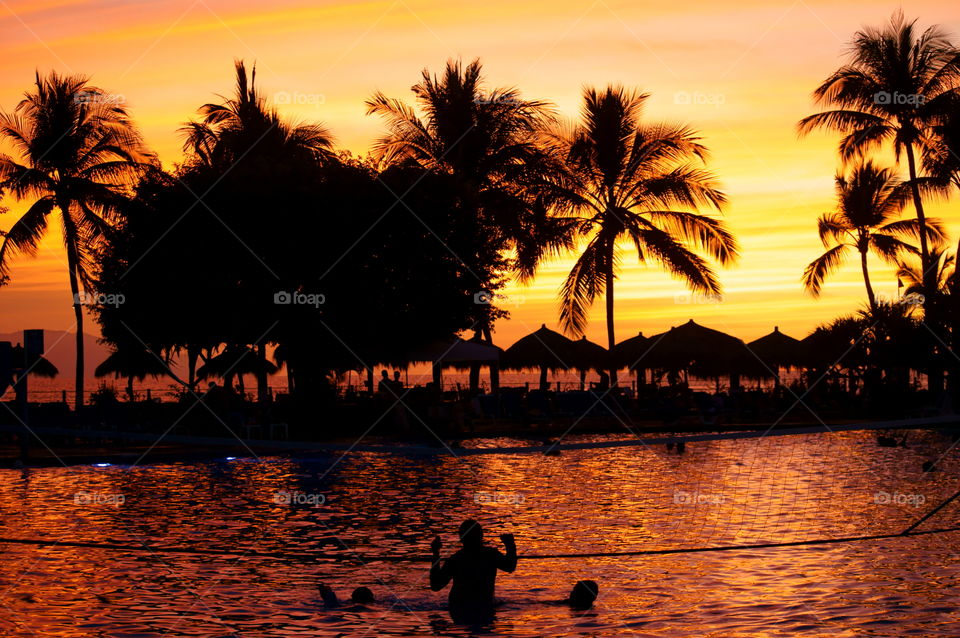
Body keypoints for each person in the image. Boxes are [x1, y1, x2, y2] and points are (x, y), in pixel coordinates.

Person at [429, 520, 516, 621]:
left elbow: (436, 585)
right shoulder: (491, 555)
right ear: (481, 537)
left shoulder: (456, 559)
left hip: (458, 611)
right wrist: (510, 545)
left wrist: (435, 553)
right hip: (483, 608)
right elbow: (510, 567)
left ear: (461, 538)